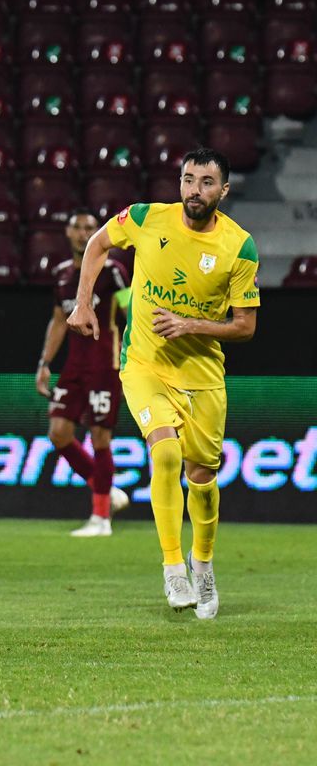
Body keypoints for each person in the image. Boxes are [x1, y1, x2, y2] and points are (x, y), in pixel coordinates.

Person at [67, 148, 259, 620]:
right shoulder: (146, 217)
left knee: (202, 478)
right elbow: (97, 244)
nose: (195, 190)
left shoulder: (239, 247)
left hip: (203, 375)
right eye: (189, 179)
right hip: (144, 365)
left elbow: (245, 326)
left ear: (224, 190)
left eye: (207, 182)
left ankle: (202, 563)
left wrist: (190, 325)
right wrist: (83, 302)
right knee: (166, 454)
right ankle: (173, 566)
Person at [36, 209, 132, 537]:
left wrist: (133, 358)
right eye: (77, 227)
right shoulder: (62, 275)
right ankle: (106, 489)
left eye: (89, 228)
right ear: (67, 232)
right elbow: (58, 321)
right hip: (74, 366)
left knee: (100, 436)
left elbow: (131, 312)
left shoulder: (114, 272)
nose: (82, 233)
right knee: (59, 433)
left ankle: (101, 519)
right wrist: (44, 363)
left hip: (106, 363)